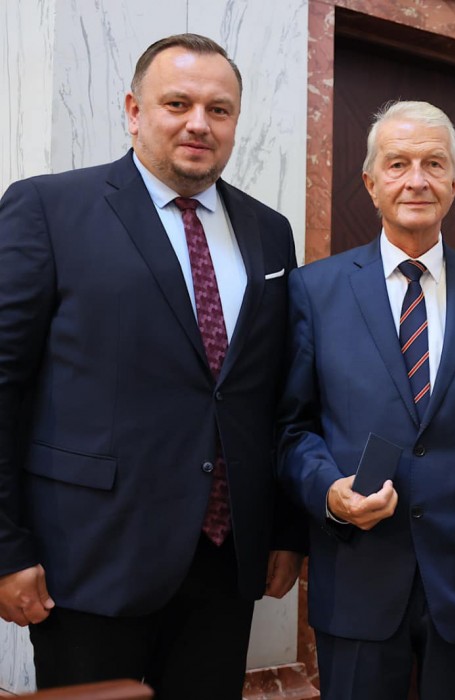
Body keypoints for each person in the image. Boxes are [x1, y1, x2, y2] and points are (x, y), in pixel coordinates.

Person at [0, 33, 304, 696]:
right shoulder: (48, 208)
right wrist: (5, 548)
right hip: (88, 559)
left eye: (219, 110)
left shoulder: (269, 231)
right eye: (177, 103)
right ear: (134, 111)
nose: (199, 123)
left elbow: (276, 393)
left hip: (225, 561)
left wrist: (284, 529)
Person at [278, 100, 455, 699]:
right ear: (371, 183)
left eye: (433, 163)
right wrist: (328, 492)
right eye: (397, 164)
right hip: (358, 574)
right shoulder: (315, 290)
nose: (416, 180)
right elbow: (292, 428)